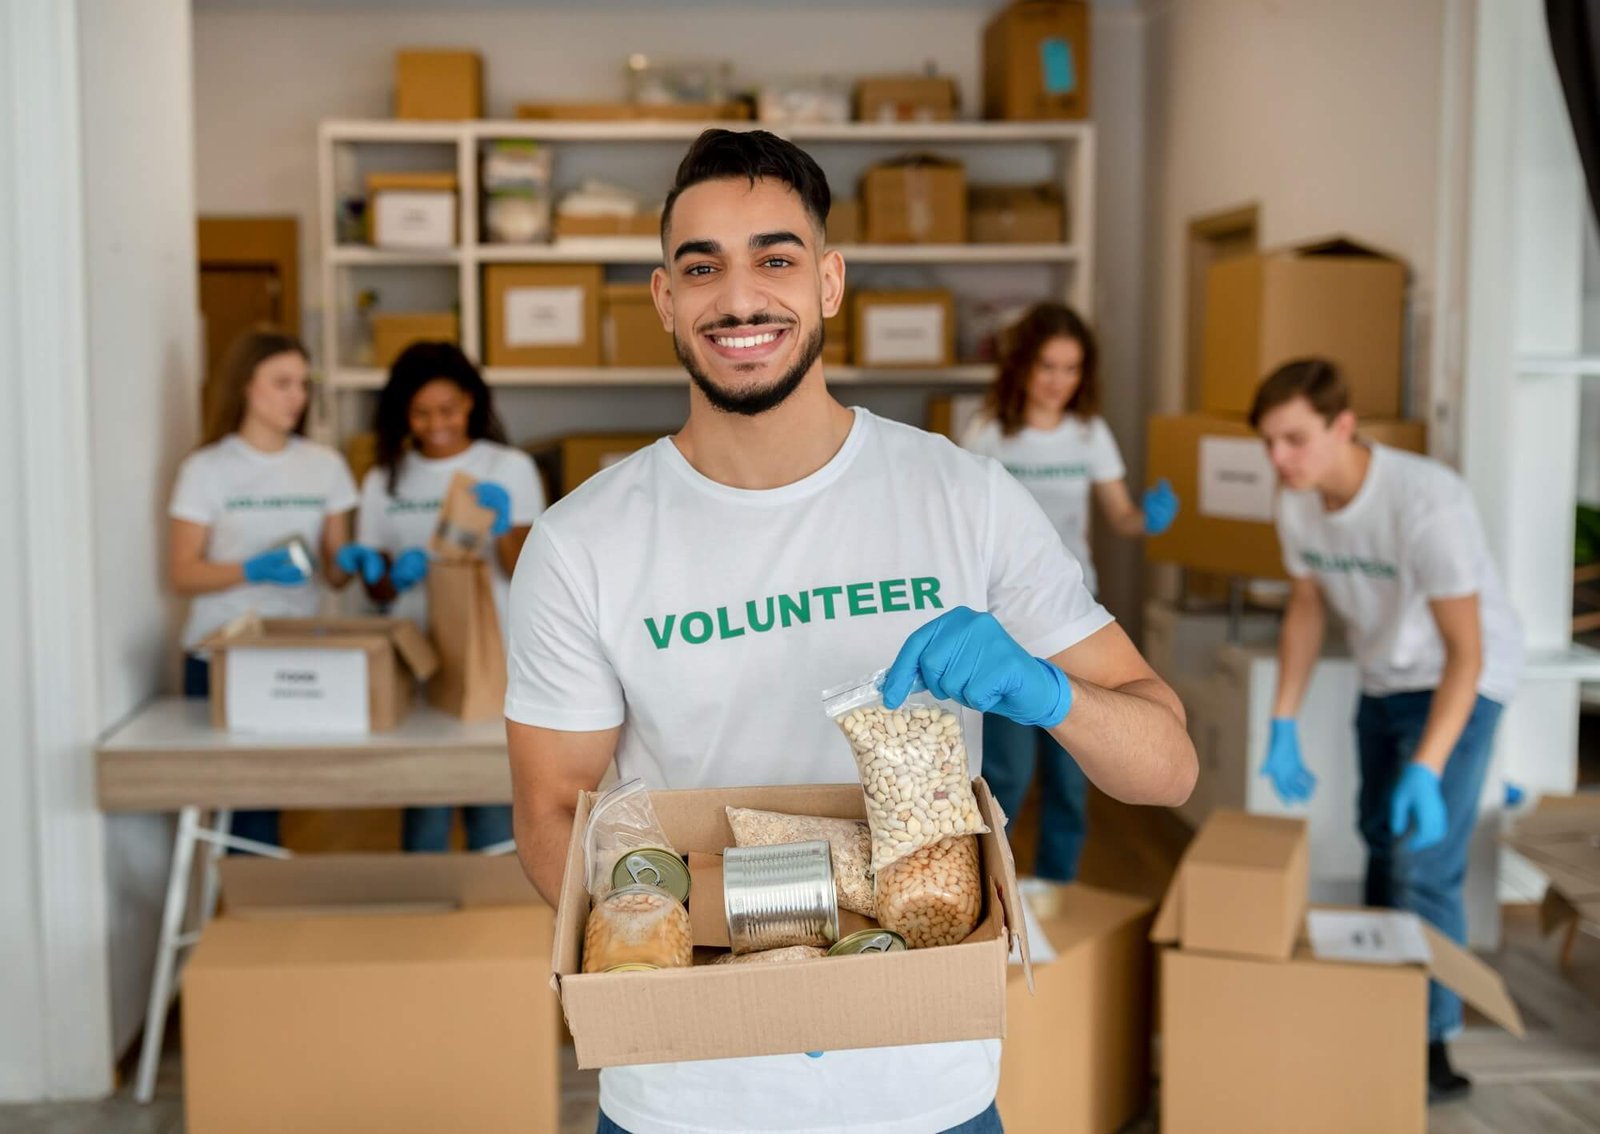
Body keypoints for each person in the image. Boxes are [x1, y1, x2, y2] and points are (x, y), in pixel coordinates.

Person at [505, 128, 1196, 1134]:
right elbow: (551, 823)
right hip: (690, 1093)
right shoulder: (581, 544)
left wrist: (1048, 695)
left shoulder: (966, 499)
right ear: (664, 299)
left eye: (775, 259)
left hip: (924, 1089)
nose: (739, 299)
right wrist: (773, 961)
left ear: (829, 282)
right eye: (702, 269)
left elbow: (1166, 768)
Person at [1251, 358, 1523, 1103]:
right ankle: (1376, 1002)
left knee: (1422, 863)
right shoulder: (1297, 500)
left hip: (1462, 681)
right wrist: (1282, 722)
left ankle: (1430, 1042)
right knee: (1378, 839)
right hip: (1383, 679)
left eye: (1295, 440)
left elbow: (1468, 652)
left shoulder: (1425, 502)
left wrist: (1430, 766)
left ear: (1344, 425)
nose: (1280, 460)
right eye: (1270, 443)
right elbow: (1306, 604)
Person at [961, 303, 1179, 881]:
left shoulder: (1090, 434)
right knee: (1005, 774)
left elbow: (1121, 516)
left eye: (1072, 368)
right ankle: (995, 896)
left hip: (1073, 623)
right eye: (1048, 366)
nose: (1059, 381)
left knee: (1070, 777)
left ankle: (1057, 895)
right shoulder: (989, 433)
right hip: (1005, 623)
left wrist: (1147, 521)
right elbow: (964, 529)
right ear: (1023, 367)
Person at [337, 341, 545, 852]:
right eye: (422, 413)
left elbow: (531, 573)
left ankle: (492, 923)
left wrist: (502, 529)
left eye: (448, 409)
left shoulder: (508, 468)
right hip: (417, 658)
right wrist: (382, 573)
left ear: (472, 402)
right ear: (403, 414)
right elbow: (376, 588)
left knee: (493, 813)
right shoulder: (385, 478)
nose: (437, 424)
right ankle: (424, 923)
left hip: (492, 660)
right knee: (425, 811)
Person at [168, 326, 360, 849]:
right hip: (218, 655)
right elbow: (183, 572)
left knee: (264, 811)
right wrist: (253, 569)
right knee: (221, 805)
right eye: (282, 382)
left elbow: (334, 573)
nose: (296, 396)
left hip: (290, 654)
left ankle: (258, 920)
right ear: (245, 386)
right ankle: (220, 919)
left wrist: (351, 561)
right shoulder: (205, 470)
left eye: (302, 383)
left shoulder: (325, 467)